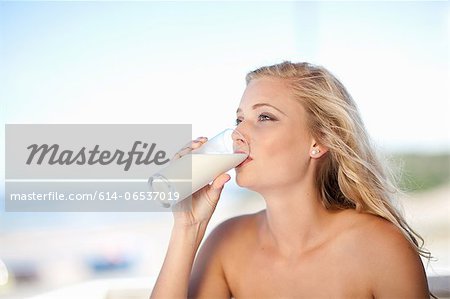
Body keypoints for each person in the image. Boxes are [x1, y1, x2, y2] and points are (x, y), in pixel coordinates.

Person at [150, 61, 431, 298]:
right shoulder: (226, 244)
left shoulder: (381, 249)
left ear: (319, 141)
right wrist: (188, 227)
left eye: (264, 117)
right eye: (239, 120)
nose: (237, 134)